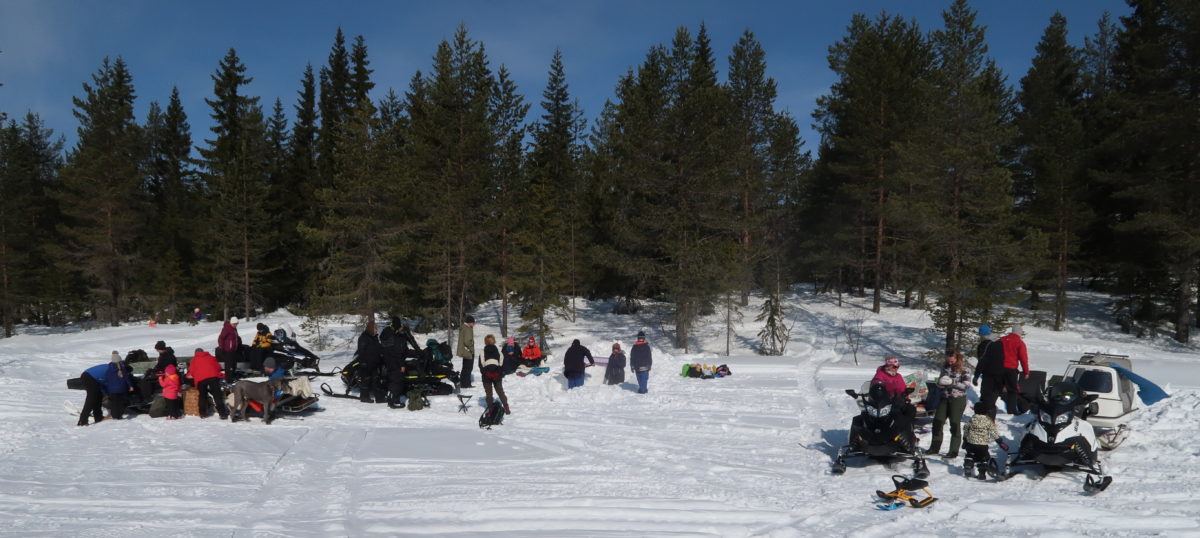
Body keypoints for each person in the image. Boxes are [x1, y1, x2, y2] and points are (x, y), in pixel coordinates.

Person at [928, 350, 972, 458]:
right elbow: (941, 382)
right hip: (944, 398)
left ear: (957, 359)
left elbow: (966, 385)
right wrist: (940, 383)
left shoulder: (965, 369)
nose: (950, 363)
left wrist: (952, 382)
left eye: (952, 361)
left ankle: (953, 451)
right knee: (938, 422)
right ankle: (934, 447)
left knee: (954, 424)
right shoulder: (945, 368)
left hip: (957, 399)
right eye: (948, 361)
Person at [76, 351, 135, 426]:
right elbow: (109, 384)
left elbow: (106, 384)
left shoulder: (115, 369)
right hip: (88, 377)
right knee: (91, 398)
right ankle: (82, 421)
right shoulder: (113, 371)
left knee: (98, 397)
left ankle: (98, 417)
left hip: (95, 378)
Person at [962, 401, 1009, 479]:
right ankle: (982, 474)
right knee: (983, 458)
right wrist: (1000, 442)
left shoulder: (972, 419)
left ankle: (968, 463)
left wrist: (965, 440)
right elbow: (994, 432)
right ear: (985, 411)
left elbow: (966, 429)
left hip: (971, 443)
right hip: (982, 445)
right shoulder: (988, 421)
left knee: (970, 454)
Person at [186, 348, 229, 419]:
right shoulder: (210, 357)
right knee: (217, 395)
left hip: (201, 379)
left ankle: (202, 413)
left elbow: (192, 371)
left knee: (202, 396)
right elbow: (218, 367)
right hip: (213, 377)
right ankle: (222, 413)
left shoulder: (194, 360)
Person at [999, 325, 1031, 414]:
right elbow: (1023, 359)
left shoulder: (1001, 340)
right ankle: (1011, 410)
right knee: (1012, 391)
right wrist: (1026, 372)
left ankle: (990, 407)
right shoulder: (1019, 343)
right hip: (1011, 369)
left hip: (998, 368)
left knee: (996, 389)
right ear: (1019, 332)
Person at [478, 334, 510, 414]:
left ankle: (490, 409)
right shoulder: (498, 351)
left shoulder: (482, 351)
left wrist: (484, 372)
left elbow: (481, 364)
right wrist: (500, 372)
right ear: (494, 341)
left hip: (486, 375)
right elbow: (502, 363)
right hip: (497, 373)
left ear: (485, 342)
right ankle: (506, 407)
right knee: (500, 391)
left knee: (489, 393)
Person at [356, 320, 384, 403]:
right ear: (371, 328)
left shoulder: (375, 338)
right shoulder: (363, 337)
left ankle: (379, 398)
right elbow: (361, 351)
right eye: (375, 328)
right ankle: (364, 397)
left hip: (374, 363)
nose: (376, 330)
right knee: (366, 380)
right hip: (366, 363)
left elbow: (378, 348)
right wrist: (363, 362)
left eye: (377, 328)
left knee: (376, 381)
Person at [457, 315, 476, 389]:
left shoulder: (463, 328)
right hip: (468, 351)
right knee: (468, 368)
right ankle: (466, 384)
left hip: (464, 351)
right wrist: (471, 348)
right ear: (470, 322)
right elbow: (468, 341)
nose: (474, 324)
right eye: (473, 323)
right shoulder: (468, 329)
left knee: (465, 367)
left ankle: (463, 383)